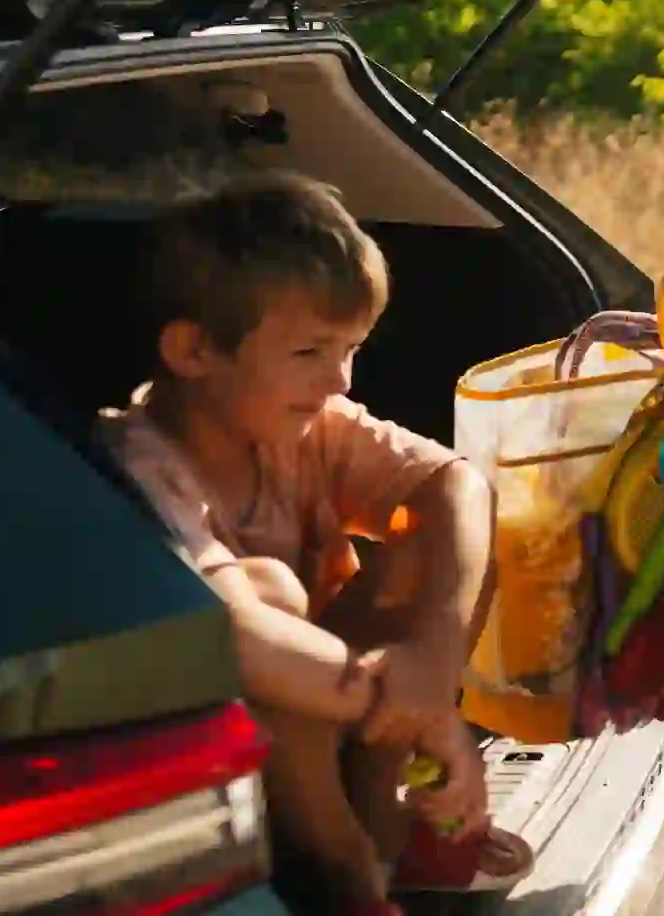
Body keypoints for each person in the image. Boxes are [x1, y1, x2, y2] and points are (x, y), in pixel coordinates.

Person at [98, 174, 530, 916]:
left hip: (334, 709)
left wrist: (432, 659)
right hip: (222, 753)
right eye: (309, 352)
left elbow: (458, 489)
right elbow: (233, 632)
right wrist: (417, 708)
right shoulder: (139, 463)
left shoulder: (307, 425)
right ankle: (341, 866)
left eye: (351, 349)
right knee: (267, 590)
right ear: (194, 350)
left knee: (430, 541)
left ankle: (380, 812)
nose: (339, 381)